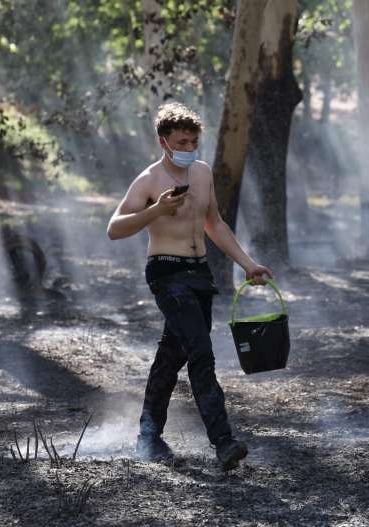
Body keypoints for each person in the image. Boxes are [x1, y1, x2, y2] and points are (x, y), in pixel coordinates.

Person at [107, 102, 272, 470]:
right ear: (163, 141)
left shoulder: (202, 173)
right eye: (181, 142)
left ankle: (148, 437)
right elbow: (114, 227)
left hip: (199, 274)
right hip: (166, 272)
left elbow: (216, 224)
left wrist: (248, 265)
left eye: (193, 141)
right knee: (201, 352)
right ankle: (223, 441)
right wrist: (156, 211)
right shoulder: (149, 179)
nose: (188, 148)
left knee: (172, 354)